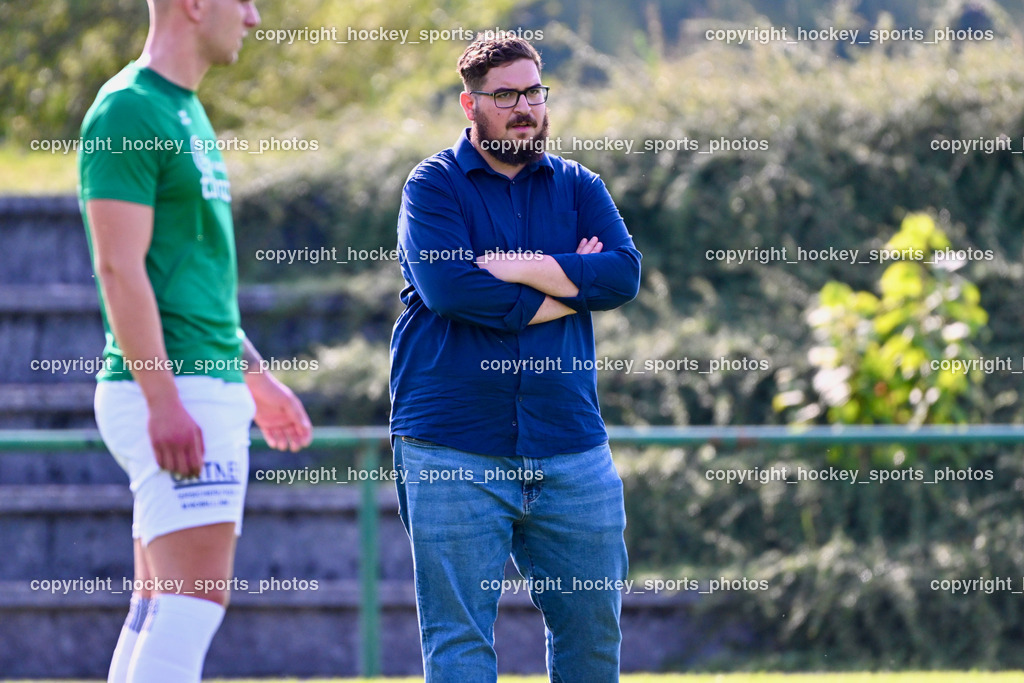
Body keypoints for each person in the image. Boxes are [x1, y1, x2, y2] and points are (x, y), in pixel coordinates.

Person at [389, 34, 642, 682]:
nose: (524, 106)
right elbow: (451, 288)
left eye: (533, 91)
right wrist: (567, 287)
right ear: (470, 103)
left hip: (570, 445)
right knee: (460, 645)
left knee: (592, 638)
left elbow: (622, 275)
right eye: (506, 95)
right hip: (453, 447)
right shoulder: (433, 187)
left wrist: (525, 266)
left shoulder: (579, 185)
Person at [77, 1, 312, 681]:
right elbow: (118, 268)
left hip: (198, 381)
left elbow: (187, 281)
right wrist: (162, 398)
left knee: (156, 605)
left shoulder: (185, 109)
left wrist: (254, 374)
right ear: (194, 5)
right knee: (190, 606)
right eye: (241, 0)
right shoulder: (127, 109)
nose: (254, 17)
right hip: (175, 388)